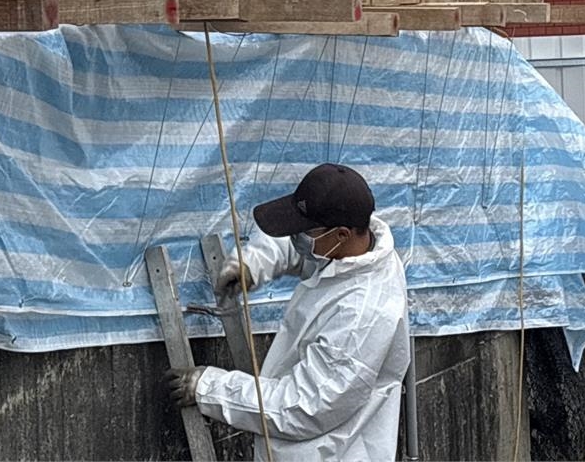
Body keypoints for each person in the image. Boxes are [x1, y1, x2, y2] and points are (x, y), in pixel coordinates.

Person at [166, 163, 410, 460]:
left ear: (342, 235)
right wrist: (252, 263)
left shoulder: (360, 318)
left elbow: (301, 407)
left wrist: (207, 388)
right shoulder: (360, 244)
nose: (297, 237)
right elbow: (302, 246)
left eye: (304, 231)